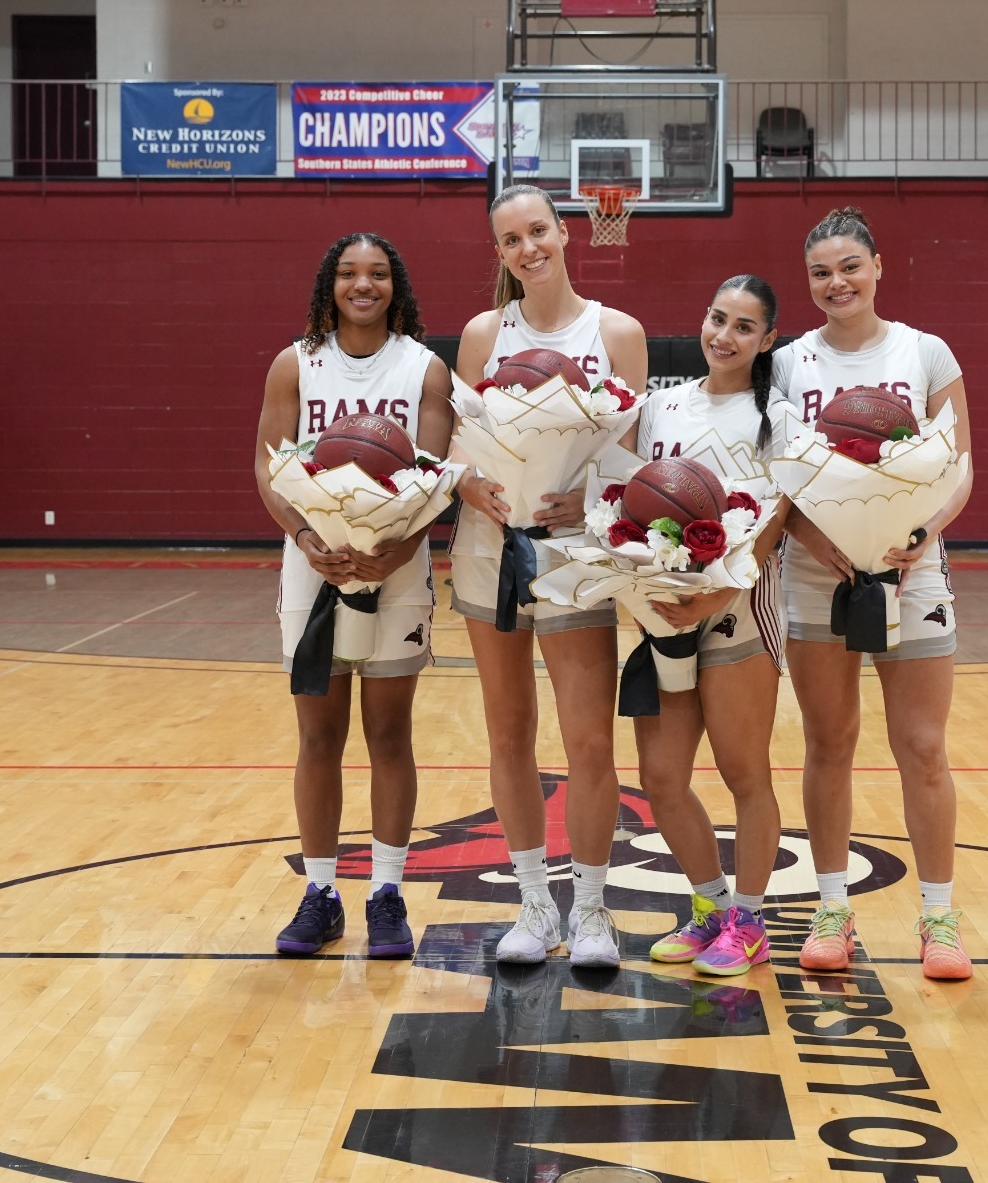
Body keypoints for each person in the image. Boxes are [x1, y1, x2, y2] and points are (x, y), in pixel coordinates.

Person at [776, 207, 977, 980]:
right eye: (822, 272)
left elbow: (959, 469)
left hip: (913, 570)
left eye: (850, 266)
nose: (837, 282)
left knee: (922, 747)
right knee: (829, 744)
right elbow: (779, 481)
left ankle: (940, 917)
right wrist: (819, 541)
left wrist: (923, 535)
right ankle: (833, 907)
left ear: (878, 266)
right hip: (819, 572)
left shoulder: (926, 352)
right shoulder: (792, 363)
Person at [451, 183, 648, 969]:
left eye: (538, 231)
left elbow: (639, 455)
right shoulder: (479, 333)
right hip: (489, 549)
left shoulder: (618, 331)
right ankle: (534, 903)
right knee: (508, 733)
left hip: (576, 552)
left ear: (566, 233)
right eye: (511, 240)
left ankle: (592, 911)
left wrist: (597, 496)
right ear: (499, 254)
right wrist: (467, 483)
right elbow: (458, 441)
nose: (528, 247)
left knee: (589, 739)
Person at [254, 233, 452, 960]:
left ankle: (387, 892)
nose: (362, 284)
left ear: (395, 285)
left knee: (390, 734)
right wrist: (307, 538)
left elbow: (432, 474)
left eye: (376, 273)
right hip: (313, 566)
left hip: (398, 567)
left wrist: (395, 547)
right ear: (329, 284)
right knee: (318, 736)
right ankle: (322, 892)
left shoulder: (425, 367)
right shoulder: (294, 362)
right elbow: (267, 463)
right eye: (348, 272)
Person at [635, 275, 792, 978]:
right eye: (716, 317)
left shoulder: (778, 416)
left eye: (743, 326)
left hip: (737, 611)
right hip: (664, 611)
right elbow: (629, 502)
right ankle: (709, 906)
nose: (723, 335)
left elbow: (773, 526)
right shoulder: (660, 406)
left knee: (742, 771)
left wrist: (715, 593)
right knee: (662, 775)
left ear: (767, 340)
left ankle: (751, 920)